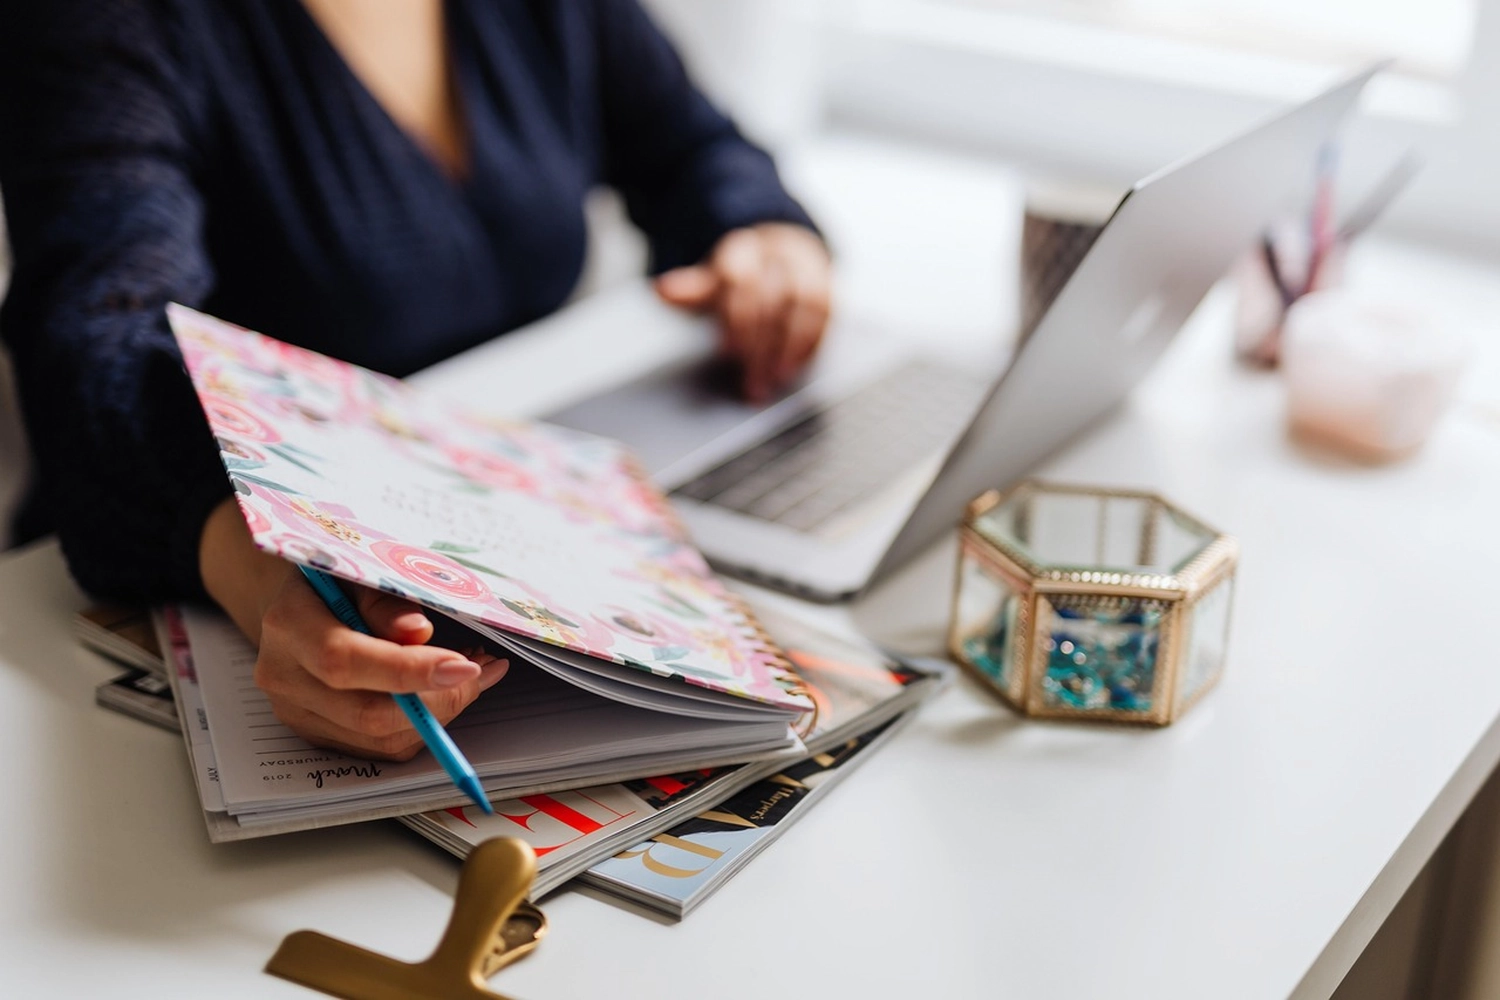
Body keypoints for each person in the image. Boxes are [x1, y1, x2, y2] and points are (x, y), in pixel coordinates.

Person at [0, 0, 831, 759]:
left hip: (530, 513)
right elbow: (98, 342)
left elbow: (693, 144)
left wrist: (756, 230)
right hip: (184, 548)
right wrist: (264, 572)